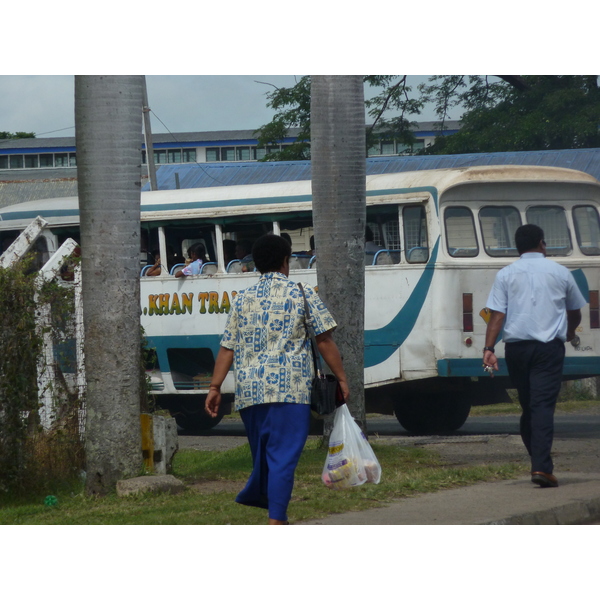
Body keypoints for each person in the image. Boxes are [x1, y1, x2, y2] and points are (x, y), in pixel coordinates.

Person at [205, 233, 350, 524]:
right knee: (283, 457)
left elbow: (227, 347)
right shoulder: (302, 292)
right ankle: (277, 518)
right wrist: (343, 379)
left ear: (256, 264)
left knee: (266, 456)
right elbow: (324, 340)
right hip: (291, 391)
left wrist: (214, 387)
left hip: (250, 393)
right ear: (286, 262)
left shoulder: (242, 299)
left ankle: (268, 507)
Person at [483, 224, 586, 488]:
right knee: (541, 407)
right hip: (548, 349)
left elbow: (497, 315)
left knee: (529, 406)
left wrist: (489, 349)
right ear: (542, 243)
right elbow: (575, 310)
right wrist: (570, 331)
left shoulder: (505, 274)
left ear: (517, 247)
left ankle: (539, 463)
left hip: (516, 350)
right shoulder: (560, 272)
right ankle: (540, 467)